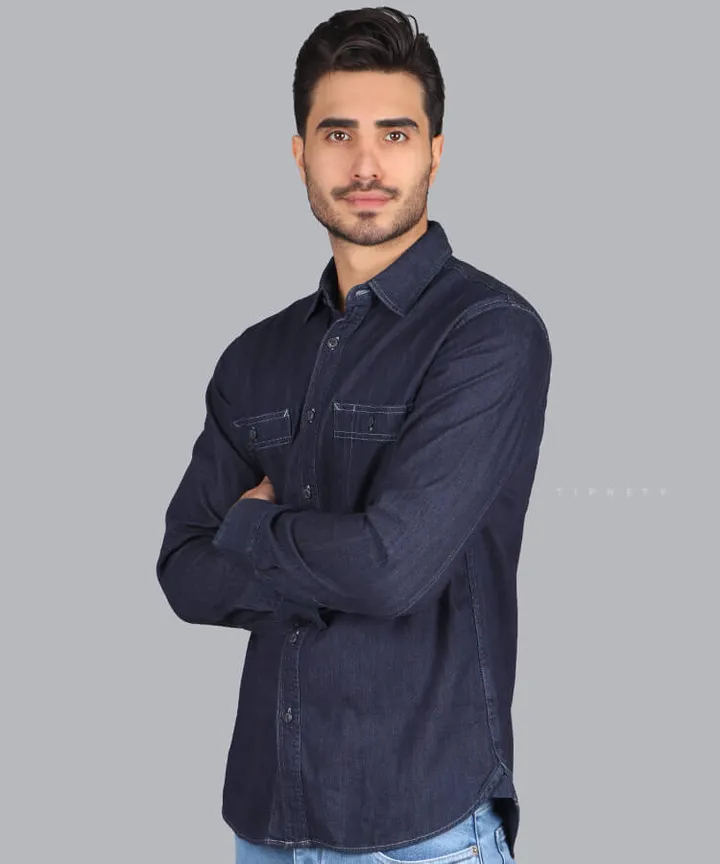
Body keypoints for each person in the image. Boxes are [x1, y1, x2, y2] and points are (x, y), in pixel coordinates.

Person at [156, 7, 552, 863]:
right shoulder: (255, 357)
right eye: (338, 133)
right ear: (299, 152)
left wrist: (252, 527)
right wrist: (330, 561)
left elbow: (392, 567)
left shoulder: (488, 335)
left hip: (420, 828)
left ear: (435, 152)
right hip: (264, 821)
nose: (366, 164)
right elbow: (183, 571)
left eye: (395, 134)